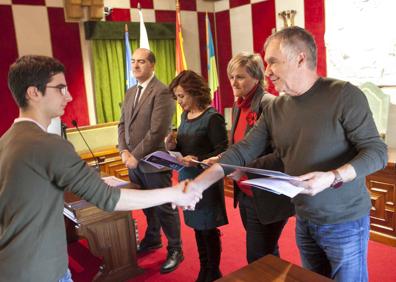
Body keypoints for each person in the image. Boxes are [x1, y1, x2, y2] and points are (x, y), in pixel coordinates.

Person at [187, 26, 388, 282]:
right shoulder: (276, 107)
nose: (267, 71)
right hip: (304, 218)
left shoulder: (344, 95)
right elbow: (243, 150)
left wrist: (332, 177)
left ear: (300, 58)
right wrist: (198, 184)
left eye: (273, 62)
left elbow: (377, 151)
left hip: (344, 221)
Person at [0, 55, 202, 282]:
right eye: (60, 88)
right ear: (33, 93)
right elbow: (108, 198)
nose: (69, 95)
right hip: (41, 270)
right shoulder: (49, 144)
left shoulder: (6, 140)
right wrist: (174, 193)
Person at [204, 52, 294, 264]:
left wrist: (244, 169)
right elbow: (239, 146)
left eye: (240, 77)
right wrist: (222, 158)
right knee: (267, 254)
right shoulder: (239, 104)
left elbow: (283, 154)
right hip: (245, 191)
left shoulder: (270, 104)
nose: (234, 82)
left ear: (257, 77)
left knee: (257, 258)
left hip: (265, 193)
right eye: (231, 77)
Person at [118, 48, 183, 273]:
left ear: (152, 65)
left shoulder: (162, 91)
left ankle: (176, 249)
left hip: (153, 162)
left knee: (164, 206)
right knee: (145, 205)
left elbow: (157, 131)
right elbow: (122, 125)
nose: (135, 66)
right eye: (133, 61)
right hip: (132, 162)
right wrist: (124, 152)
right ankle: (153, 238)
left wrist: (135, 156)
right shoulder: (129, 92)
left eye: (141, 62)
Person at [166, 70, 228, 282]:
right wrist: (173, 145)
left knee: (208, 228)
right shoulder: (184, 116)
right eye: (177, 97)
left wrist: (198, 158)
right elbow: (183, 147)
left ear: (194, 92)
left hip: (207, 181)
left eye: (182, 96)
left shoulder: (213, 118)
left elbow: (223, 151)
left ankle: (212, 272)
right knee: (197, 228)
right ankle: (205, 269)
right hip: (188, 180)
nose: (179, 101)